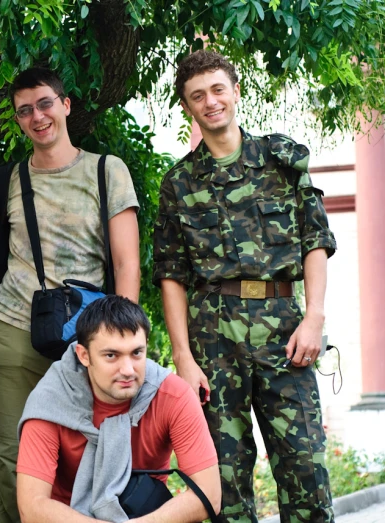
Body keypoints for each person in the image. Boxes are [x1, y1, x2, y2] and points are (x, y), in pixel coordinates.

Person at [152, 50, 336, 522]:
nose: (210, 102)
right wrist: (183, 358)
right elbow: (171, 274)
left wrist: (314, 317)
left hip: (286, 335)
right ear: (187, 107)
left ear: (235, 92)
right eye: (198, 96)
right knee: (223, 482)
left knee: (306, 470)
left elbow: (316, 241)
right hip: (214, 341)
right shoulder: (178, 184)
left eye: (217, 90)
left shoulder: (283, 161)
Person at [0, 67, 141, 522]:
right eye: (25, 111)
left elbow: (126, 263)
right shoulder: (5, 181)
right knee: (11, 455)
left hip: (87, 335)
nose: (37, 116)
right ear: (19, 120)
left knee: (87, 456)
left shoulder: (107, 170)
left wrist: (123, 338)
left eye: (44, 103)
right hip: (13, 329)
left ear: (65, 105)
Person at [16, 295, 221, 523]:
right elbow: (32, 508)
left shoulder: (172, 395)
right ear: (84, 355)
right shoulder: (51, 402)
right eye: (111, 355)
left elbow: (209, 495)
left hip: (147, 515)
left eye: (136, 353)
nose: (127, 370)